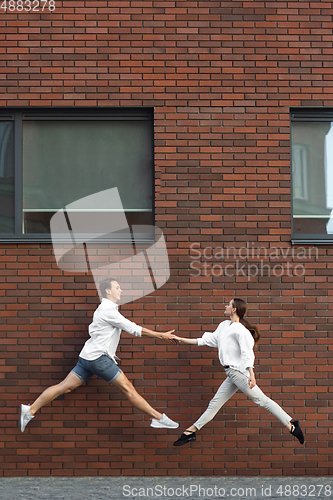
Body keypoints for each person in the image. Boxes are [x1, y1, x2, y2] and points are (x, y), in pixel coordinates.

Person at [19, 278, 179, 432]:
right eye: (117, 287)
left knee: (64, 387)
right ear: (108, 291)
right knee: (128, 388)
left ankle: (30, 410)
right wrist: (161, 336)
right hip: (98, 360)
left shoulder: (105, 310)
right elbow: (134, 328)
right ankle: (158, 418)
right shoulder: (108, 311)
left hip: (88, 358)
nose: (121, 290)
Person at [172, 298, 304, 446]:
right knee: (214, 404)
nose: (225, 306)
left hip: (238, 374)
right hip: (231, 374)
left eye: (228, 304)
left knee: (262, 400)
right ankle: (190, 432)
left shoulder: (241, 331)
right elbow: (205, 340)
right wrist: (180, 339)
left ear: (234, 309)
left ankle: (291, 425)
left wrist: (252, 375)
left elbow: (247, 354)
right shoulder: (223, 326)